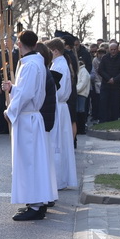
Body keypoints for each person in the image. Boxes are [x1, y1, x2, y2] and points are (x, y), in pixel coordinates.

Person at [2, 30, 57, 221]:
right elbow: (26, 90)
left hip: (28, 119)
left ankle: (35, 205)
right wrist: (12, 88)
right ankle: (35, 202)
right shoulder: (35, 63)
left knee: (30, 163)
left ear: (19, 44)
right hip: (30, 117)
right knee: (33, 162)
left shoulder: (31, 65)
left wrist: (10, 111)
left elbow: (26, 95)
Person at [47, 38, 78, 190]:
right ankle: (61, 179)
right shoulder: (59, 63)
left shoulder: (59, 66)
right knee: (61, 144)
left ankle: (58, 180)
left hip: (58, 106)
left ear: (55, 51)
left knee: (57, 145)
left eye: (49, 51)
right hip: (61, 107)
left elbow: (57, 90)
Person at [98, 41, 120, 122]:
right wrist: (108, 79)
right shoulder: (105, 58)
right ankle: (103, 120)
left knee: (115, 104)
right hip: (106, 85)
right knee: (104, 103)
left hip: (116, 86)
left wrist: (114, 79)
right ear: (109, 50)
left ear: (117, 49)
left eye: (115, 49)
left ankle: (114, 120)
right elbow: (100, 70)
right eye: (111, 49)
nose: (113, 51)